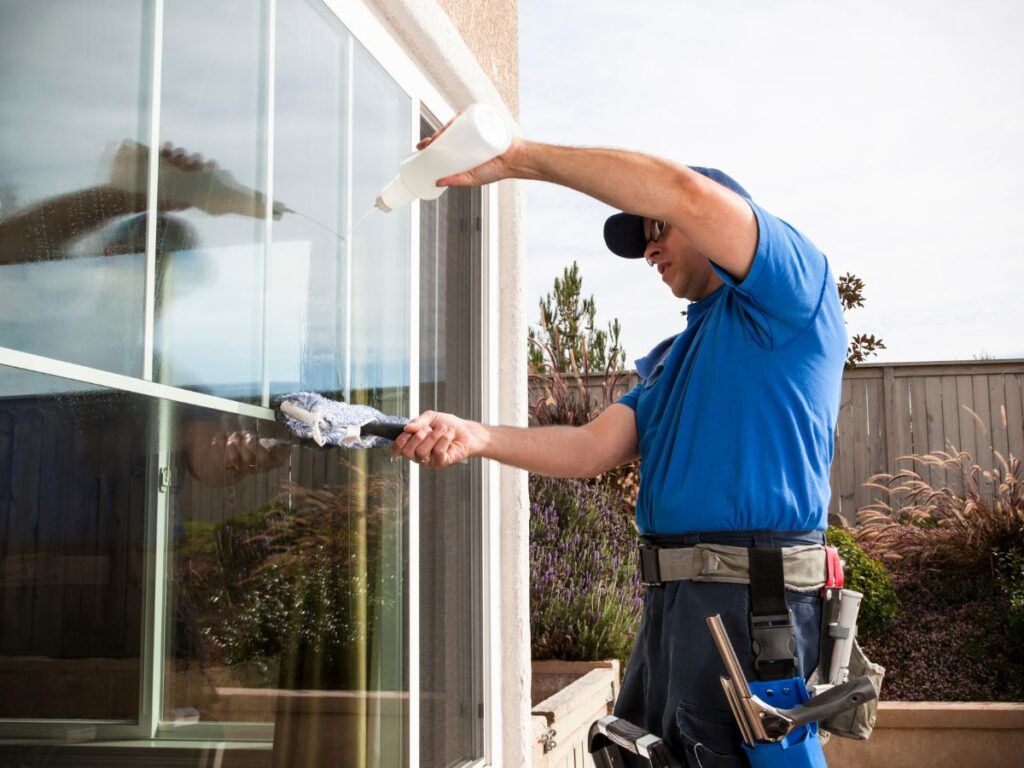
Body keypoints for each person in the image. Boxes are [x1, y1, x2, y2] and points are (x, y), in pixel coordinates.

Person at [390, 127, 847, 764]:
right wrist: (476, 437)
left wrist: (518, 157)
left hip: (754, 608)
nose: (650, 250)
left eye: (659, 230)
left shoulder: (791, 297)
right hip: (674, 610)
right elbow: (588, 450)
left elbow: (684, 191)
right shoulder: (673, 362)